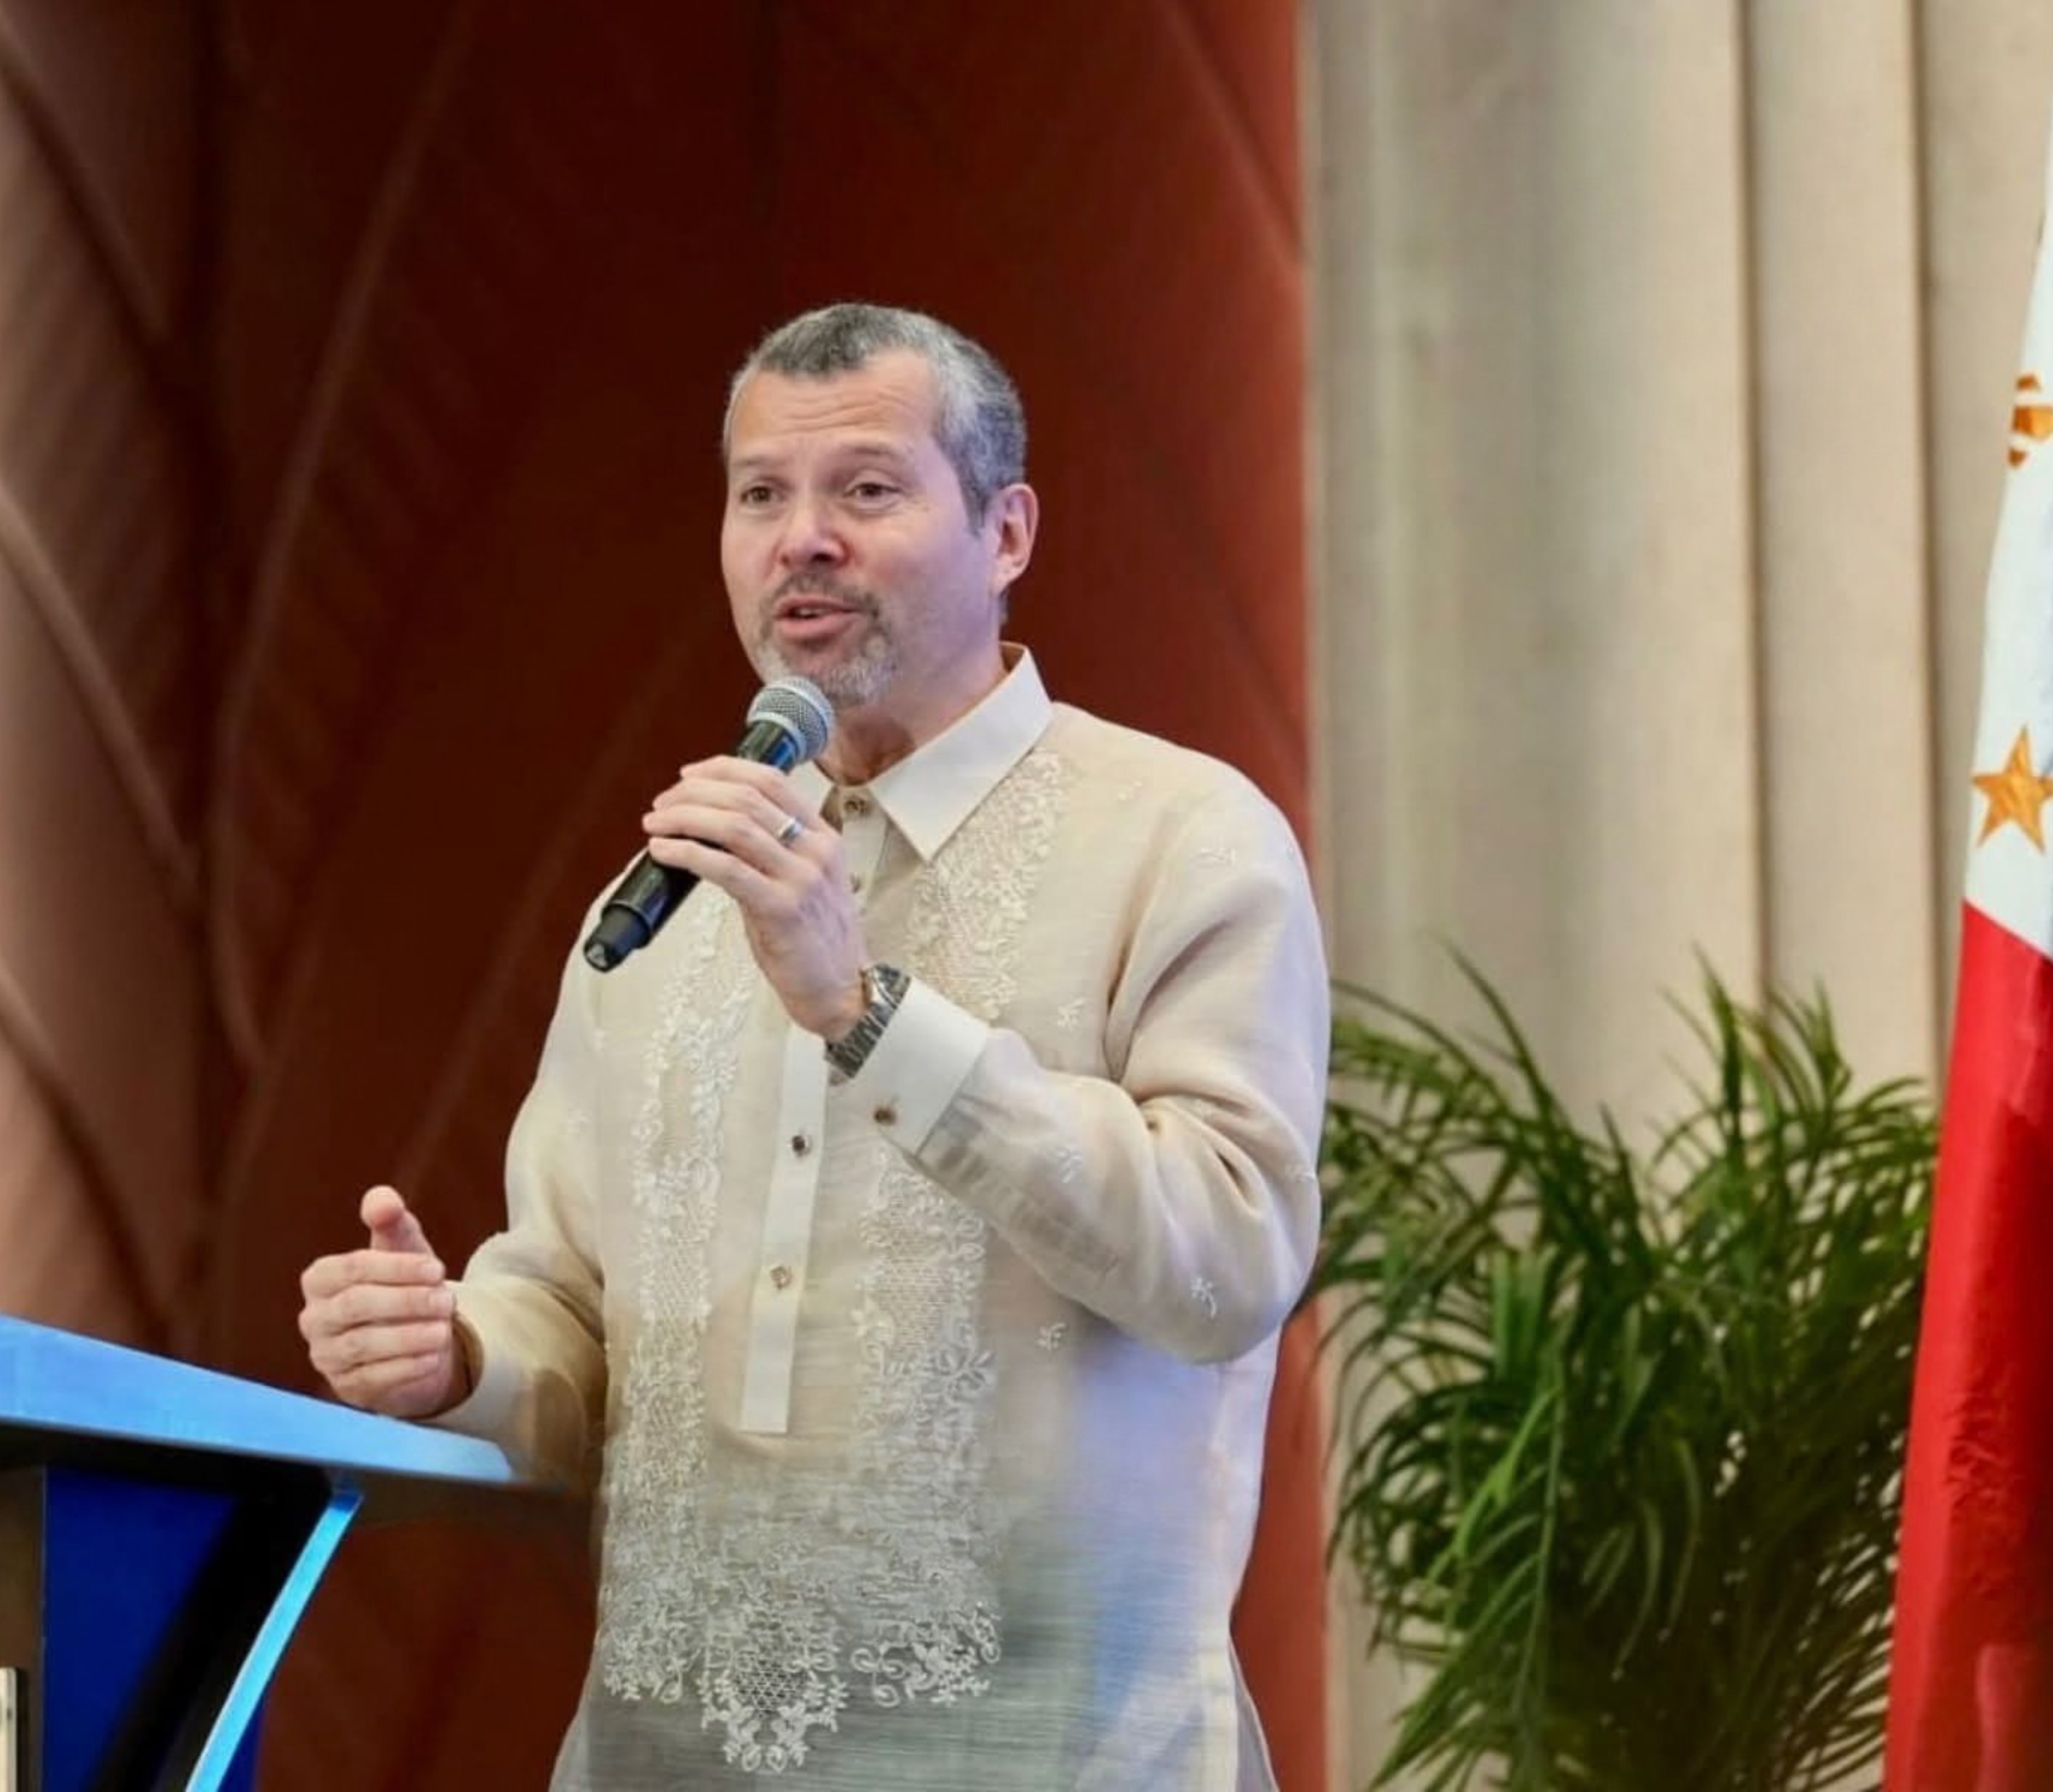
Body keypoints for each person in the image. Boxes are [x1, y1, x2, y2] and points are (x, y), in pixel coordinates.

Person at [297, 302, 1329, 1788]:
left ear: (1006, 532)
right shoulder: (668, 896)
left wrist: (866, 1014)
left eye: (867, 489)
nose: (803, 542)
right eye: (759, 496)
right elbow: (571, 1318)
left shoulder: (1181, 834)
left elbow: (1227, 1262)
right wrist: (453, 1357)